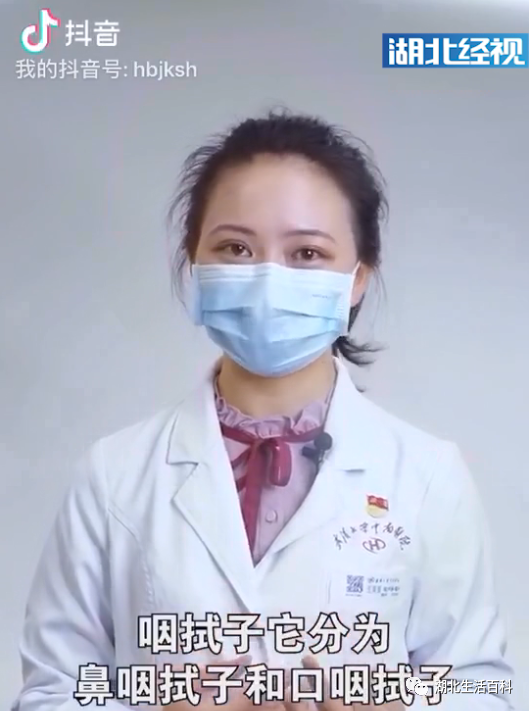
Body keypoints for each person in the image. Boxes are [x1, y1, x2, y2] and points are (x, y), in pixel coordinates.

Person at [12, 110, 514, 711]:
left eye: (306, 253)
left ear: (357, 279)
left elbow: (483, 688)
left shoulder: (427, 475)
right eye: (236, 247)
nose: (267, 279)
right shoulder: (115, 476)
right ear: (195, 264)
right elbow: (52, 691)